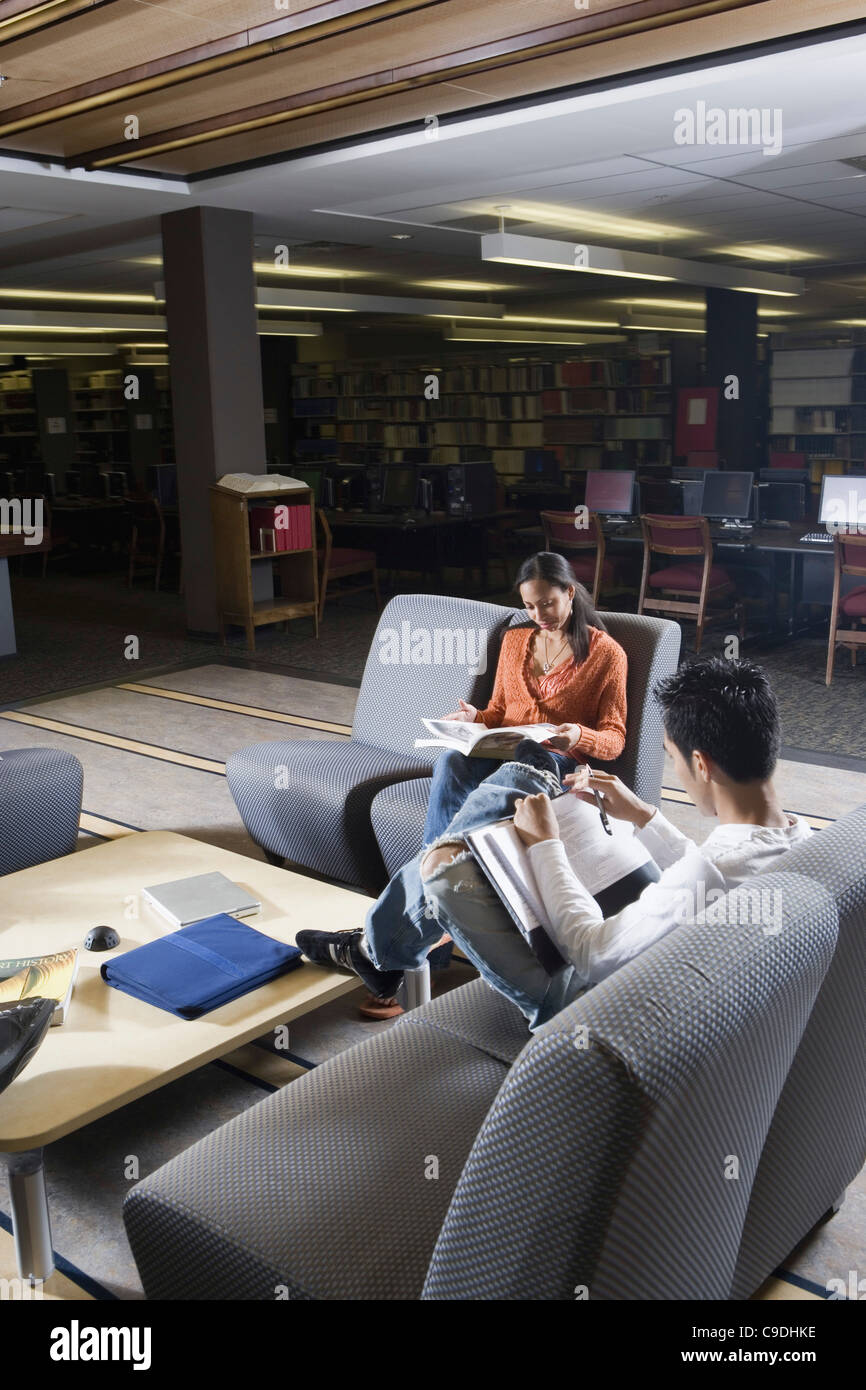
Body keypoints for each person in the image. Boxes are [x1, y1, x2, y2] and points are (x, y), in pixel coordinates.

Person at [297, 657, 812, 1030]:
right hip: (674, 980)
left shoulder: (709, 876)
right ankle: (376, 946)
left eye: (672, 757)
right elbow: (713, 871)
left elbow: (589, 955)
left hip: (593, 1005)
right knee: (515, 787)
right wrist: (644, 817)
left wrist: (546, 844)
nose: (677, 770)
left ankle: (376, 948)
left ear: (701, 763)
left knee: (447, 858)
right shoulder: (800, 842)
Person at [422, 549, 628, 845]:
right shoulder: (513, 642)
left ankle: (442, 859)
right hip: (501, 751)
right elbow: (498, 712)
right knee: (451, 761)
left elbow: (615, 740)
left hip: (553, 761)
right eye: (529, 607)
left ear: (569, 592)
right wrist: (474, 718)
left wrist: (579, 736)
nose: (539, 616)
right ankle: (440, 858)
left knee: (520, 768)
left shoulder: (607, 654)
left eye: (547, 604)